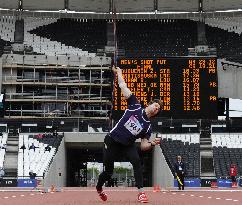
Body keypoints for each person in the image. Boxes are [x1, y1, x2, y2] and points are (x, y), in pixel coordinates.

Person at [96, 66, 162, 203]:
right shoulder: (135, 105)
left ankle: (141, 193)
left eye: (158, 109)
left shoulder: (148, 126)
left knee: (137, 162)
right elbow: (123, 86)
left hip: (127, 145)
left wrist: (151, 143)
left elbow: (143, 146)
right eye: (156, 105)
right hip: (112, 140)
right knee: (108, 172)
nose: (156, 108)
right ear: (150, 104)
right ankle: (99, 188)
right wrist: (119, 73)